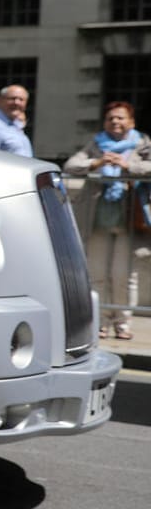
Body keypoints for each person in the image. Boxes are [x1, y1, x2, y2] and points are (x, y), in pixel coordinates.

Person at [64, 100, 151, 340]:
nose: (115, 122)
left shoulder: (142, 143)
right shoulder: (97, 143)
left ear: (131, 122)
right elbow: (71, 164)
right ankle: (99, 322)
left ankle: (122, 323)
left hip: (128, 221)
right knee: (97, 274)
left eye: (120, 117)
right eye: (111, 118)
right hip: (98, 218)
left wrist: (128, 165)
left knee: (123, 275)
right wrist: (98, 162)